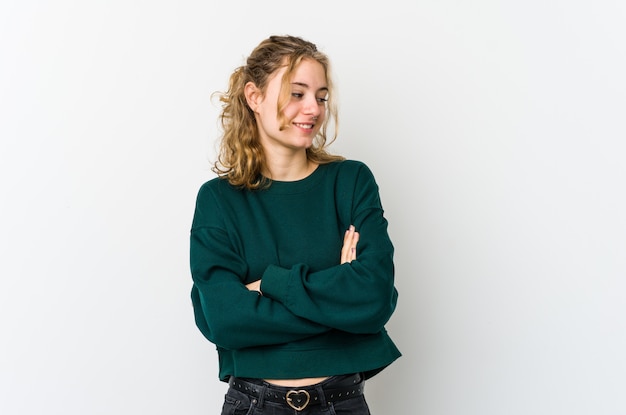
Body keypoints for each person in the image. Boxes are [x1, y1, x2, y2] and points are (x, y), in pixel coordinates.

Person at [189, 34, 401, 415]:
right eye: (296, 93)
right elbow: (223, 319)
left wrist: (270, 285)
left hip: (342, 402)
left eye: (320, 97)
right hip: (254, 404)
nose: (314, 109)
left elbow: (373, 298)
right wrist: (337, 302)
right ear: (254, 97)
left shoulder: (350, 182)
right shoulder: (218, 200)